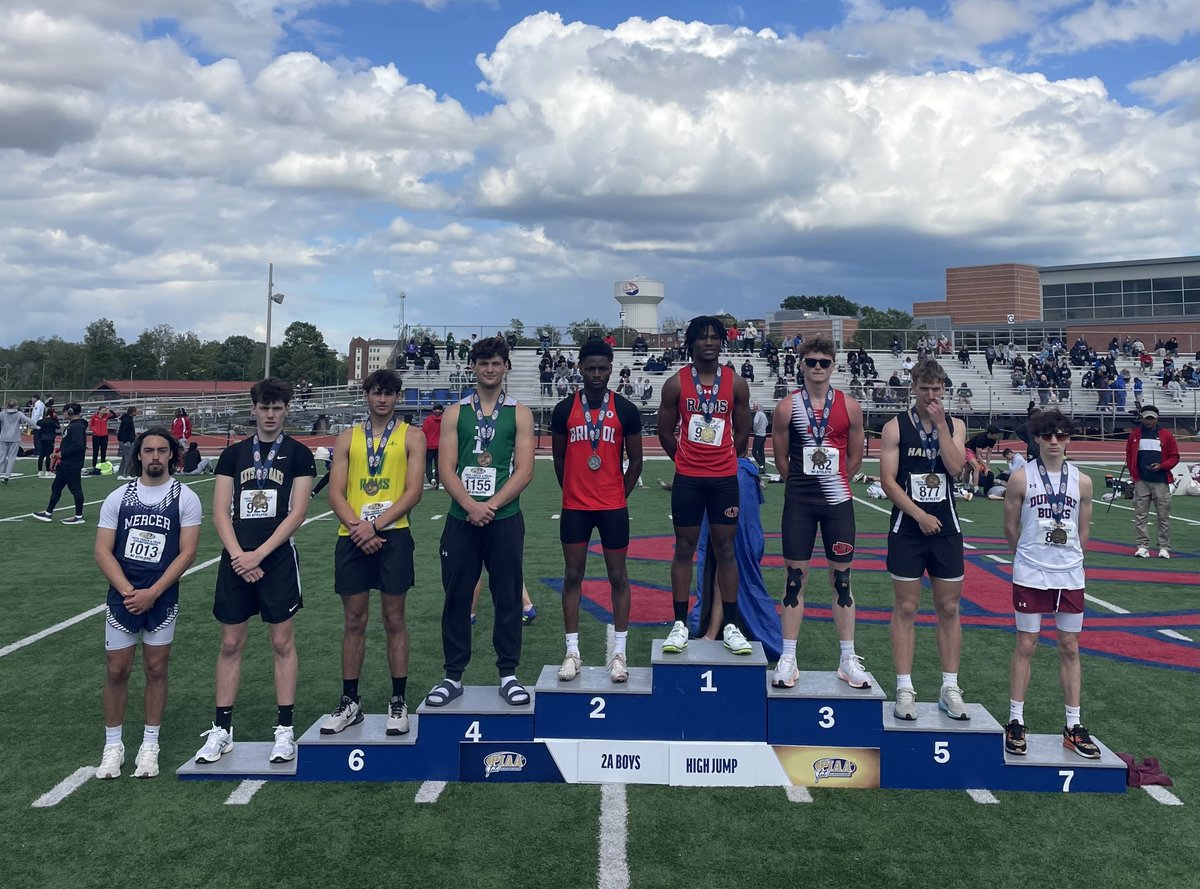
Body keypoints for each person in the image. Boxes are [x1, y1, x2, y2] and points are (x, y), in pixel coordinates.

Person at [194, 378, 315, 766]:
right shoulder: (233, 454)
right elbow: (219, 511)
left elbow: (297, 513)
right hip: (235, 560)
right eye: (264, 407)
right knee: (230, 644)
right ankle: (222, 730)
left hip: (276, 559)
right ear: (253, 410)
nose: (270, 414)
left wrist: (259, 554)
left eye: (277, 408)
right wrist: (238, 556)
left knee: (281, 643)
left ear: (286, 410)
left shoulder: (298, 454)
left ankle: (284, 730)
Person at [425, 336, 535, 708]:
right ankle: (452, 676)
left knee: (507, 596)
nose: (490, 369)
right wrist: (471, 505)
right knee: (456, 597)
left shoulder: (520, 412)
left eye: (496, 363)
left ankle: (508, 673)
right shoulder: (456, 413)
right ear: (472, 367)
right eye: (483, 363)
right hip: (461, 518)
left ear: (506, 367)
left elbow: (524, 471)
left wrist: (490, 504)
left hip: (503, 518)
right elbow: (445, 467)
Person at [322, 370, 425, 736]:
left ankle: (398, 700)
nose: (382, 400)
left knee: (394, 618)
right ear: (366, 395)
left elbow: (414, 491)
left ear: (398, 398)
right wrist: (358, 527)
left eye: (389, 394)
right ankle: (351, 701)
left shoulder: (412, 435)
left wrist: (375, 525)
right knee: (354, 621)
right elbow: (335, 492)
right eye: (376, 393)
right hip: (351, 535)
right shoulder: (348, 437)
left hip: (392, 535)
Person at [93, 429, 201, 779]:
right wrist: (129, 591)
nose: (155, 456)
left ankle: (149, 744)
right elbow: (102, 551)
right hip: (123, 595)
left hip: (162, 595)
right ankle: (113, 746)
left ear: (172, 455)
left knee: (156, 669)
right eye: (149, 450)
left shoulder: (185, 497)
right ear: (138, 455)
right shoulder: (118, 498)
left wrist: (153, 592)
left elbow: (187, 552)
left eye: (162, 451)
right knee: (116, 670)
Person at [771, 336, 868, 689]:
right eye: (810, 361)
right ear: (801, 365)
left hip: (838, 502)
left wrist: (837, 480)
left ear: (833, 365)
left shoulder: (850, 406)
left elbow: (856, 456)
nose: (816, 367)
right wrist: (800, 482)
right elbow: (781, 458)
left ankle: (847, 658)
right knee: (795, 580)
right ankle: (788, 656)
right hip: (800, 502)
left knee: (842, 581)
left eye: (823, 362)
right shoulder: (787, 407)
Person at [1003, 409, 1100, 760]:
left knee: (1070, 646)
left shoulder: (1083, 481)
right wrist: (1028, 557)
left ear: (1069, 439)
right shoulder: (1021, 478)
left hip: (1069, 573)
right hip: (1030, 571)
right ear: (1037, 439)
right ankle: (1015, 720)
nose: (1054, 442)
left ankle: (1073, 725)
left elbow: (1083, 530)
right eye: (1047, 436)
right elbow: (1011, 527)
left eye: (1060, 435)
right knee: (1026, 643)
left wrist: (1069, 558)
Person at [656, 316, 753, 656]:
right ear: (692, 343)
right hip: (689, 480)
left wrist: (725, 458)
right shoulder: (676, 384)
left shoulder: (737, 383)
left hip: (724, 479)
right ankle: (680, 623)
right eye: (702, 337)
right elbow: (664, 432)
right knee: (684, 549)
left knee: (726, 551)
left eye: (714, 337)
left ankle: (729, 625)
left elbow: (743, 432)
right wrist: (684, 460)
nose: (709, 342)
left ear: (721, 342)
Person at [880, 360, 970, 720]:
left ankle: (950, 686)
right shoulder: (894, 427)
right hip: (908, 526)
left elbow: (955, 468)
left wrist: (943, 427)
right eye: (924, 388)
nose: (931, 395)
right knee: (906, 608)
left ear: (944, 389)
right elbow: (888, 481)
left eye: (937, 388)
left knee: (949, 608)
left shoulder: (956, 425)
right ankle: (904, 688)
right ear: (913, 387)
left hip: (947, 525)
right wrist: (919, 515)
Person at [550, 339, 643, 683]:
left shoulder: (625, 409)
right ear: (580, 368)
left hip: (612, 507)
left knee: (618, 577)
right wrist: (571, 488)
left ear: (611, 368)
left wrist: (620, 492)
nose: (597, 374)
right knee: (573, 576)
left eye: (603, 368)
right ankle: (572, 651)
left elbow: (636, 460)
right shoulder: (563, 410)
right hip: (575, 507)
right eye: (590, 368)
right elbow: (559, 459)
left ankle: (619, 652)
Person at [1125, 404, 1179, 559]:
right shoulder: (1135, 435)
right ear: (1142, 418)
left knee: (1163, 515)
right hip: (1142, 480)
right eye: (1147, 418)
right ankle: (1142, 546)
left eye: (1152, 418)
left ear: (1157, 419)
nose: (1149, 421)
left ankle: (1163, 547)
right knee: (1140, 515)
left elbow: (1175, 456)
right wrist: (1133, 474)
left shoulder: (1166, 436)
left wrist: (1161, 466)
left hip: (1160, 480)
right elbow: (1129, 456)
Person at [32, 403, 87, 525]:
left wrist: (62, 454)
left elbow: (78, 445)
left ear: (70, 411)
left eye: (65, 411)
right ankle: (48, 513)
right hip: (66, 463)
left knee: (76, 489)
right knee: (56, 487)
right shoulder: (74, 426)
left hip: (72, 464)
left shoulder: (76, 427)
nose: (64, 413)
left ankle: (79, 516)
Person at [0, 399, 32, 483]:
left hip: (4, 437)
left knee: (2, 457)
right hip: (14, 437)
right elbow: (28, 420)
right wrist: (36, 426)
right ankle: (7, 475)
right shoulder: (19, 414)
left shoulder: (3, 413)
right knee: (11, 457)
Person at [421, 403, 444, 490]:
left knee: (428, 465)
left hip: (429, 446)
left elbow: (424, 432)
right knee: (438, 466)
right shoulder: (445, 420)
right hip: (440, 447)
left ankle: (431, 480)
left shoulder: (428, 420)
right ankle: (437, 483)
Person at [35, 406, 60, 478]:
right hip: (50, 438)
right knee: (49, 454)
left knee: (42, 454)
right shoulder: (52, 421)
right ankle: (48, 470)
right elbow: (58, 426)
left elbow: (38, 423)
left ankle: (40, 470)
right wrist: (55, 419)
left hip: (42, 438)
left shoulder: (43, 421)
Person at [90, 405, 115, 469]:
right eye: (103, 410)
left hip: (104, 436)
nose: (104, 412)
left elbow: (115, 416)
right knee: (95, 451)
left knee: (103, 452)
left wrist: (109, 410)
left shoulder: (106, 416)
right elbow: (91, 425)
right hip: (96, 436)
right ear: (99, 410)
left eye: (105, 410)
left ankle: (103, 465)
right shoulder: (94, 417)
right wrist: (94, 430)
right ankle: (94, 466)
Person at [116, 407, 137, 479]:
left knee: (125, 458)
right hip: (127, 441)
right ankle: (127, 474)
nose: (136, 413)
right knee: (128, 458)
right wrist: (125, 441)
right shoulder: (127, 420)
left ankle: (120, 474)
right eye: (135, 411)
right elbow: (123, 432)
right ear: (132, 412)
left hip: (129, 440)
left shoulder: (128, 419)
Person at [751, 401, 768, 470]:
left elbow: (755, 422)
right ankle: (763, 466)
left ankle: (761, 465)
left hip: (758, 435)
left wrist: (755, 429)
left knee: (754, 452)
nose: (753, 406)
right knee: (761, 452)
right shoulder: (763, 414)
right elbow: (767, 423)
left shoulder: (758, 414)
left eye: (754, 405)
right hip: (764, 435)